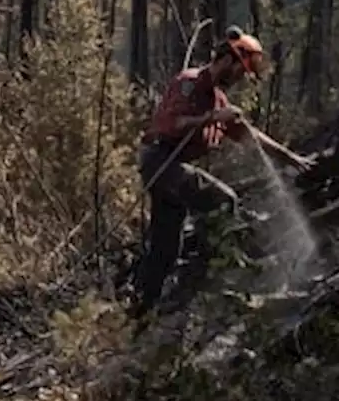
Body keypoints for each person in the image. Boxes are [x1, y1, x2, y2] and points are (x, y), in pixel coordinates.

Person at [131, 26, 314, 317]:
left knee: (166, 248)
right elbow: (173, 123)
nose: (240, 78)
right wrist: (212, 118)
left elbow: (249, 136)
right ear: (227, 60)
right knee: (222, 200)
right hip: (160, 161)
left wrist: (289, 157)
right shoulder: (189, 83)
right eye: (240, 72)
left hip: (171, 168)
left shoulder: (218, 100)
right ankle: (205, 277)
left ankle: (141, 309)